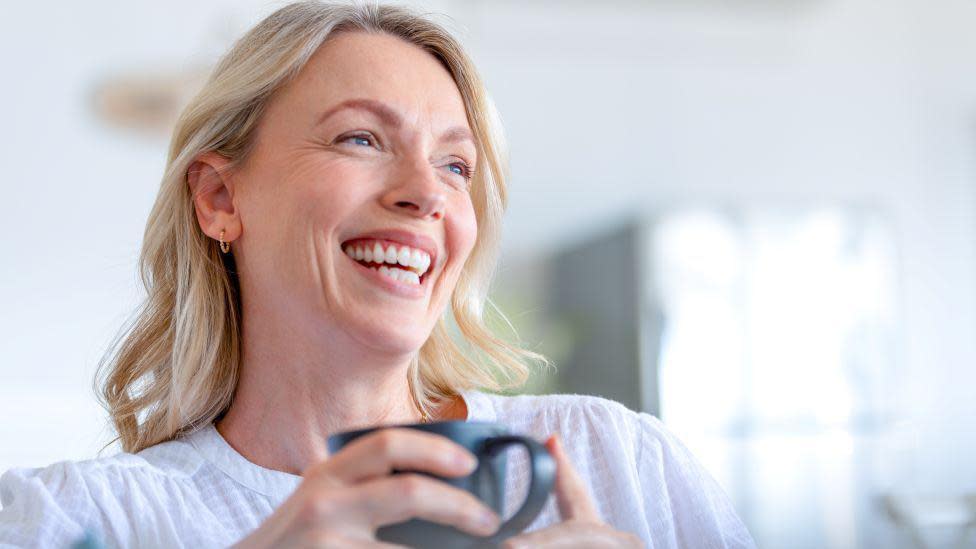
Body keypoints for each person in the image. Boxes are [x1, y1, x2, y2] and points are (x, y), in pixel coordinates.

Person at [0, 2, 756, 548]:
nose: (427, 192)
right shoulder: (72, 520)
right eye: (361, 138)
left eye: (455, 165)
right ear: (220, 198)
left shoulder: (618, 463)